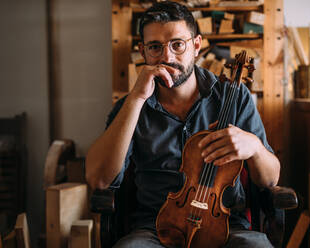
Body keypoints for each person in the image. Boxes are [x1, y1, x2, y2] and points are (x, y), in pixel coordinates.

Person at [85, 1, 280, 247]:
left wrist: (254, 147)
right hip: (154, 230)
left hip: (228, 227)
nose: (167, 57)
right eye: (155, 47)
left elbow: (270, 180)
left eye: (177, 44)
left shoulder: (235, 96)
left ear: (196, 45)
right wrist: (136, 98)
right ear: (142, 51)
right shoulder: (131, 106)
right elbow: (99, 180)